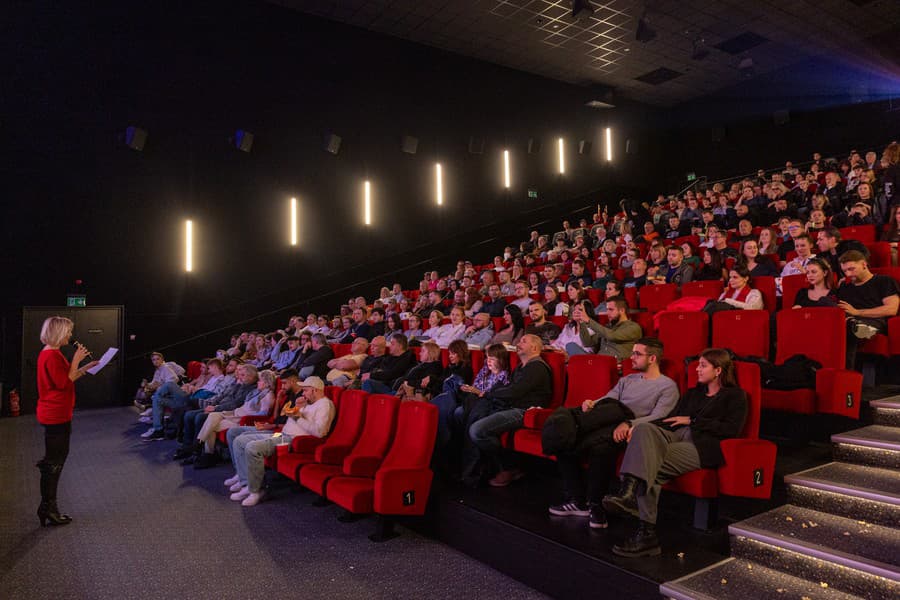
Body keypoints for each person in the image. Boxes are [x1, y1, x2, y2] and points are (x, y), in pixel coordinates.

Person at [603, 348, 748, 557]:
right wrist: (636, 426)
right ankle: (631, 501)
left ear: (718, 370)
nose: (697, 369)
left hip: (702, 446)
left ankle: (643, 527)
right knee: (644, 430)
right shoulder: (693, 393)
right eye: (697, 364)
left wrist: (694, 421)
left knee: (649, 461)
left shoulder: (735, 396)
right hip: (675, 435)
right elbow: (673, 420)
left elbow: (731, 429)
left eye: (703, 366)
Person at [547, 338, 679, 528]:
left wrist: (628, 423)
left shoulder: (667, 386)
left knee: (602, 448)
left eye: (637, 354)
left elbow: (660, 416)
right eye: (632, 352)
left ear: (652, 358)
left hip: (634, 431)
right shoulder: (628, 379)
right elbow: (610, 398)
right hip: (609, 421)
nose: (631, 357)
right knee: (564, 440)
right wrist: (593, 403)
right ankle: (578, 500)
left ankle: (594, 505)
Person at [227, 375, 335, 507]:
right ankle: (245, 482)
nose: (303, 393)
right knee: (239, 440)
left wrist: (296, 416)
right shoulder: (308, 402)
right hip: (281, 435)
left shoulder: (325, 405)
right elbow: (290, 418)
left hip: (292, 440)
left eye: (306, 390)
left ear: (315, 390)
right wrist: (298, 407)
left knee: (252, 447)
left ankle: (257, 491)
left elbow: (320, 432)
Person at [464, 334, 553, 487]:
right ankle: (480, 470)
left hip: (526, 411)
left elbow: (515, 391)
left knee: (477, 430)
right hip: (510, 406)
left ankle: (509, 467)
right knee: (472, 417)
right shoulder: (521, 366)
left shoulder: (537, 366)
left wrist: (487, 394)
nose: (518, 343)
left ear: (534, 348)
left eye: (523, 341)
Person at [35, 316, 99, 526]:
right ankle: (48, 508)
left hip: (56, 412)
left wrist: (86, 367)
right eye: (69, 332)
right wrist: (76, 360)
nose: (71, 336)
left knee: (54, 461)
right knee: (55, 463)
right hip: (55, 414)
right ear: (59, 332)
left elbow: (67, 378)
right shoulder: (52, 356)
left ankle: (47, 507)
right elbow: (64, 382)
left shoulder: (51, 353)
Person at [430, 344, 510, 450]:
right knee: (451, 400)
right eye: (487, 358)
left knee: (457, 411)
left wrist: (477, 391)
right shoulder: (485, 370)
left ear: (501, 360)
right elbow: (476, 385)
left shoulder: (504, 376)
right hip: (472, 399)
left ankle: (452, 443)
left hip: (486, 404)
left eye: (492, 359)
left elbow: (494, 396)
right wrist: (468, 388)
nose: (488, 361)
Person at [192, 368, 275, 468]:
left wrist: (248, 416)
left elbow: (263, 415)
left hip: (241, 419)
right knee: (212, 416)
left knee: (211, 427)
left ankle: (204, 450)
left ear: (266, 382)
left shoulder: (268, 396)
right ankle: (202, 445)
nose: (258, 382)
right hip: (234, 413)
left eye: (260, 380)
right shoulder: (256, 392)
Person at [836, 250, 900, 369]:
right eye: (845, 271)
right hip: (849, 319)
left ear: (864, 264)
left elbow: (891, 309)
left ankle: (846, 372)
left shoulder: (884, 281)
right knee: (845, 323)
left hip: (874, 321)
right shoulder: (845, 286)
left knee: (850, 328)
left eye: (851, 269)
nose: (848, 274)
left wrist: (857, 312)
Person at [142, 358, 231, 441]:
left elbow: (212, 395)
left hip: (195, 399)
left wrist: (194, 389)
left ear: (215, 367)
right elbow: (203, 388)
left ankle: (151, 404)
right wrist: (191, 387)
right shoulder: (212, 378)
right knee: (158, 399)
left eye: (210, 368)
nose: (209, 370)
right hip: (191, 397)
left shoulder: (221, 379)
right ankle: (158, 430)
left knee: (169, 385)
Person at [576, 298, 643, 360]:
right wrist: (581, 322)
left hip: (614, 365)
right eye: (607, 309)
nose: (607, 313)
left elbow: (612, 336)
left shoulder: (633, 327)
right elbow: (587, 342)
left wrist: (588, 320)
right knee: (571, 347)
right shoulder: (608, 327)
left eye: (611, 309)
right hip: (598, 361)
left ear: (622, 310)